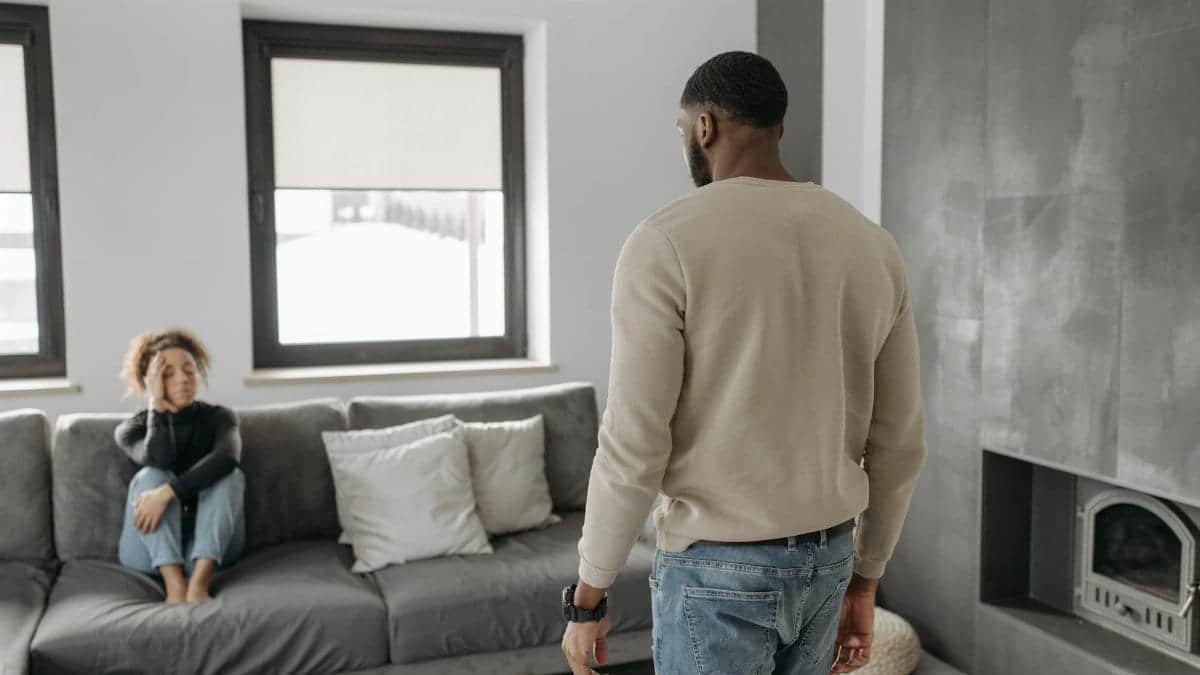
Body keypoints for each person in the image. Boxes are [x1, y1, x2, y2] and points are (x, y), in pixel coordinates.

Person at [561, 52, 927, 674]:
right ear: (777, 128)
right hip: (828, 559)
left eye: (684, 131)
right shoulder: (872, 245)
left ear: (704, 127)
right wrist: (866, 580)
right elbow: (898, 441)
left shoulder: (664, 243)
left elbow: (634, 443)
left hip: (715, 569)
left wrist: (588, 595)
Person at [113, 328, 246, 604]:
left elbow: (227, 458)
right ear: (150, 381)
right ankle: (174, 586)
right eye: (168, 373)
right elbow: (158, 459)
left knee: (230, 476)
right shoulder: (131, 429)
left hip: (212, 549)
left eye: (189, 370)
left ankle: (198, 585)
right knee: (151, 476)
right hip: (148, 555)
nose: (183, 379)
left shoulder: (219, 417)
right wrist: (157, 408)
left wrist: (167, 493)